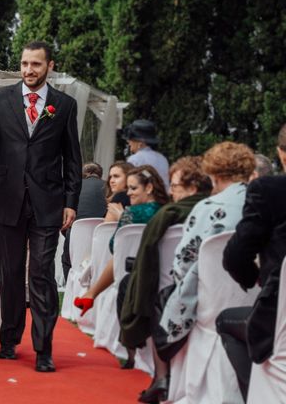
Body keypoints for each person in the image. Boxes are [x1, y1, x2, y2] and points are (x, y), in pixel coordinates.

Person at [0, 41, 83, 372]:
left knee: (42, 275)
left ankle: (44, 349)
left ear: (50, 66)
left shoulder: (64, 105)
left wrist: (71, 202)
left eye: (36, 64)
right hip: (7, 199)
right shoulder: (1, 100)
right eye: (24, 64)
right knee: (11, 274)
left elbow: (73, 159)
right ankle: (9, 339)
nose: (29, 70)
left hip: (48, 203)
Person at [118, 157, 212, 403]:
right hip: (217, 291)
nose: (171, 191)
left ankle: (161, 376)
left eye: (175, 185)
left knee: (152, 293)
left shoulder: (167, 216)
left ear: (192, 188)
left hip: (177, 292)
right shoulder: (217, 211)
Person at [158, 142, 255, 348]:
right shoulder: (264, 204)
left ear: (214, 174)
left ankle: (162, 376)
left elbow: (183, 263)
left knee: (164, 295)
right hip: (256, 300)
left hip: (207, 303)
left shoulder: (206, 208)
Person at [74, 165, 169, 368]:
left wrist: (122, 217)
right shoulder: (167, 211)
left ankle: (131, 351)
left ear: (149, 188)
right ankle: (91, 294)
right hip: (165, 274)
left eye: (134, 189)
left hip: (133, 276)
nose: (130, 193)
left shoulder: (132, 214)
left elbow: (113, 246)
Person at [217, 125, 286, 400]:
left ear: (281, 153)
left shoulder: (269, 190)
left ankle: (254, 395)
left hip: (277, 319)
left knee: (226, 321)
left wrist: (259, 279)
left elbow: (235, 256)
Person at [62, 162, 107, 281]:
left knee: (67, 261)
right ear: (100, 175)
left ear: (82, 175)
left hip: (76, 240)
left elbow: (65, 222)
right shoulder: (109, 187)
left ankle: (72, 289)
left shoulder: (73, 190)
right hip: (104, 241)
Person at [123, 119, 170, 189]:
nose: (129, 142)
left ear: (140, 143)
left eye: (131, 139)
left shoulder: (135, 159)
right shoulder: (162, 158)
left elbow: (130, 183)